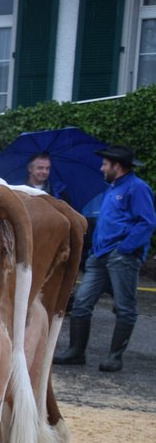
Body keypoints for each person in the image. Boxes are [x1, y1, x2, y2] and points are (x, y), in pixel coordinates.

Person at [53, 144, 155, 372]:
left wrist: (125, 249)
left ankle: (114, 357)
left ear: (117, 166)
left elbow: (146, 222)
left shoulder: (137, 188)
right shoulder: (112, 188)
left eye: (105, 164)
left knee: (125, 307)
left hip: (122, 257)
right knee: (81, 302)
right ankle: (75, 352)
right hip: (99, 257)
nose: (101, 168)